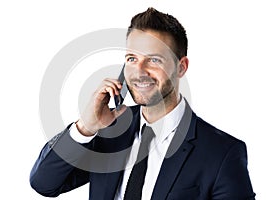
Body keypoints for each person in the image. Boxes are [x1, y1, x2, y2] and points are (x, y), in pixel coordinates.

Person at [30, 7, 255, 199]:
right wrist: (86, 127)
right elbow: (44, 184)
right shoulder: (110, 132)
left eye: (154, 60)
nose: (139, 72)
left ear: (181, 67)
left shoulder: (223, 153)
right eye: (132, 59)